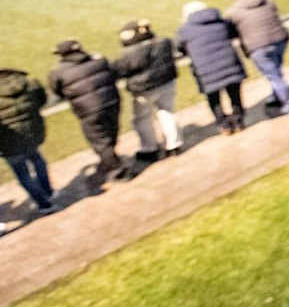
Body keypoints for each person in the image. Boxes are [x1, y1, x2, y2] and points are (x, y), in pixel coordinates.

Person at [47, 39, 130, 183]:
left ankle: (117, 170)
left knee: (99, 140)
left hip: (88, 110)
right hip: (112, 102)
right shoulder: (100, 59)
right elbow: (113, 75)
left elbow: (57, 91)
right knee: (111, 132)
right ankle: (110, 160)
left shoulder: (58, 72)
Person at [224, 0, 289, 115]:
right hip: (280, 40)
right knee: (276, 72)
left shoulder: (233, 12)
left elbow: (231, 32)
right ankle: (278, 96)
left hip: (258, 46)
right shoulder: (268, 2)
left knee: (274, 76)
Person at [112, 20, 182, 160]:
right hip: (167, 84)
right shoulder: (164, 42)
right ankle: (174, 145)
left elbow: (118, 70)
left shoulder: (128, 53)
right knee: (167, 112)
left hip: (143, 90)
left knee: (142, 119)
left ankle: (149, 148)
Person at [175, 2, 248, 133]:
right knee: (235, 94)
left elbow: (180, 48)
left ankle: (224, 124)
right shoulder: (222, 22)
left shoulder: (184, 30)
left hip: (205, 70)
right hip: (229, 63)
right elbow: (233, 33)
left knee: (214, 99)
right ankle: (238, 120)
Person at [0, 66, 55, 215]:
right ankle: (48, 192)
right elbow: (41, 100)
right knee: (38, 161)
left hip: (8, 144)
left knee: (23, 174)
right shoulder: (25, 83)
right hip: (32, 134)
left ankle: (44, 204)